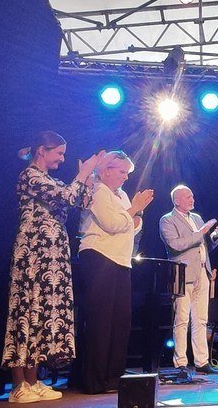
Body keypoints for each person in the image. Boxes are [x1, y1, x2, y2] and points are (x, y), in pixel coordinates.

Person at [2, 132, 101, 403]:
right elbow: (67, 196)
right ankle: (18, 385)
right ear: (41, 151)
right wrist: (83, 174)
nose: (62, 159)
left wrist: (88, 178)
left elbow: (80, 202)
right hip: (33, 252)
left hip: (53, 255)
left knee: (42, 313)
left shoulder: (52, 180)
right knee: (26, 311)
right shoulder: (30, 176)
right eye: (59, 153)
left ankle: (34, 381)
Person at [76, 151, 154, 394]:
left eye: (127, 173)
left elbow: (132, 227)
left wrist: (134, 213)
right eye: (121, 171)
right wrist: (134, 210)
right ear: (106, 170)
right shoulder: (98, 190)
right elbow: (112, 224)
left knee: (120, 321)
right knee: (100, 320)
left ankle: (112, 378)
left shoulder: (121, 195)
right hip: (99, 256)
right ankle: (94, 380)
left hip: (121, 260)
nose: (125, 177)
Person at [159, 185, 218, 377]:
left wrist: (214, 236)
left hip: (202, 272)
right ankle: (180, 362)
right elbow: (176, 245)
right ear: (177, 200)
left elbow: (204, 246)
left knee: (201, 319)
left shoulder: (196, 218)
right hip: (182, 274)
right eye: (188, 196)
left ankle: (202, 362)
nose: (192, 199)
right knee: (182, 319)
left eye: (192, 196)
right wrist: (201, 232)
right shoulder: (167, 220)